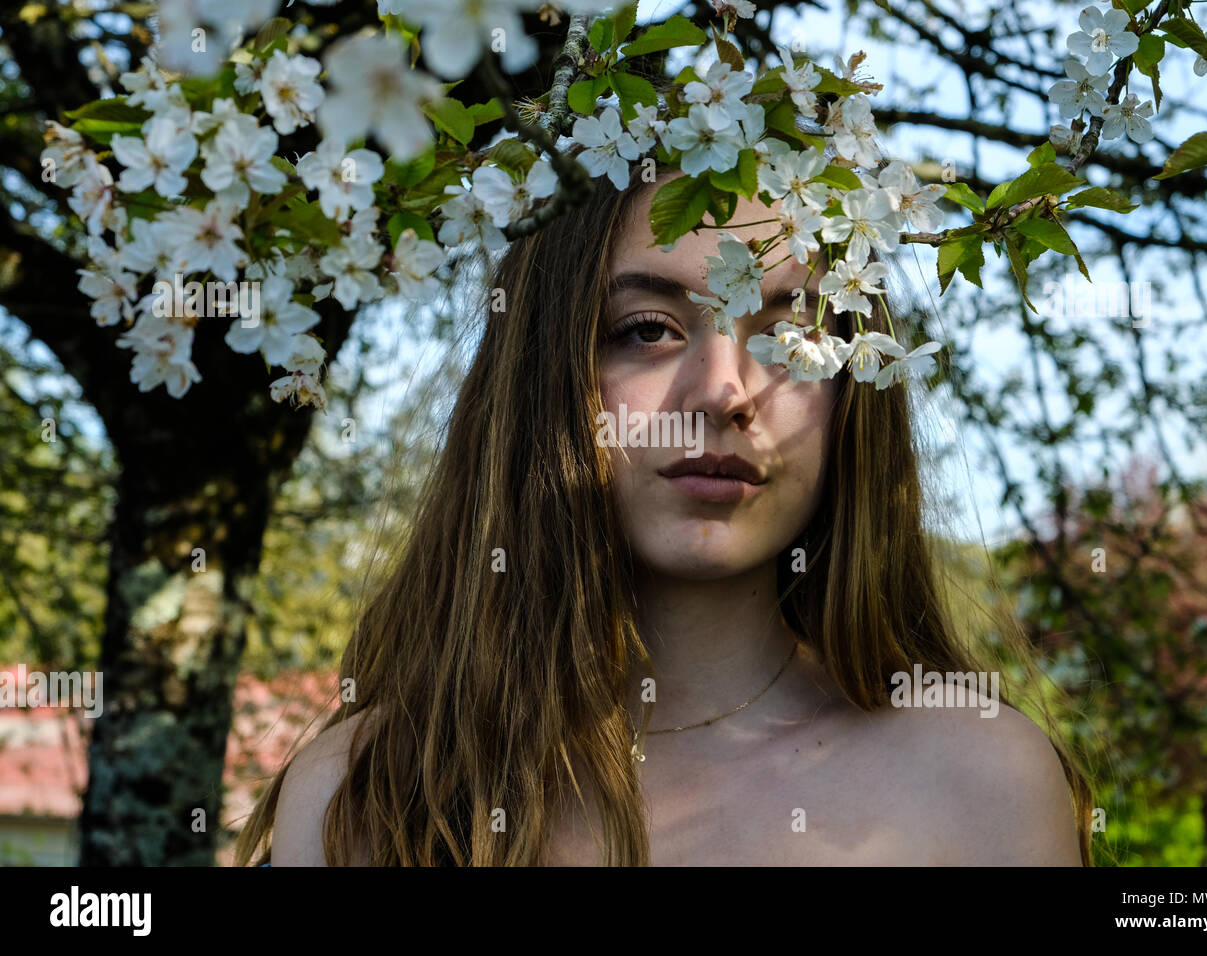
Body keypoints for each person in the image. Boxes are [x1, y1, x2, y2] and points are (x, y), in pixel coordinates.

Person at [234, 157, 1093, 866]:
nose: (724, 390)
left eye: (789, 336)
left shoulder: (981, 782)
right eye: (647, 328)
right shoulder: (369, 796)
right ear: (543, 378)